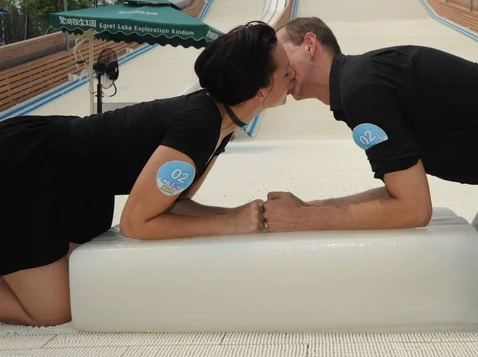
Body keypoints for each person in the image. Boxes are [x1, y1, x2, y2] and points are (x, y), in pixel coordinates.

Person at [263, 16, 478, 342]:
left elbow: (413, 210)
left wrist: (307, 219)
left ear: (310, 44)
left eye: (280, 52)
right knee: (477, 270)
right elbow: (399, 190)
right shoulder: (358, 87)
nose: (277, 67)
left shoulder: (363, 88)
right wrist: (312, 206)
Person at [0, 20, 295, 327]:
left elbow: (174, 204)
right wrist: (230, 223)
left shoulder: (220, 124)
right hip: (27, 168)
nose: (293, 76)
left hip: (76, 187)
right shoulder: (200, 126)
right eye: (286, 72)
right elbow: (135, 223)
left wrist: (242, 214)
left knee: (82, 283)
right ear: (261, 92)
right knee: (54, 310)